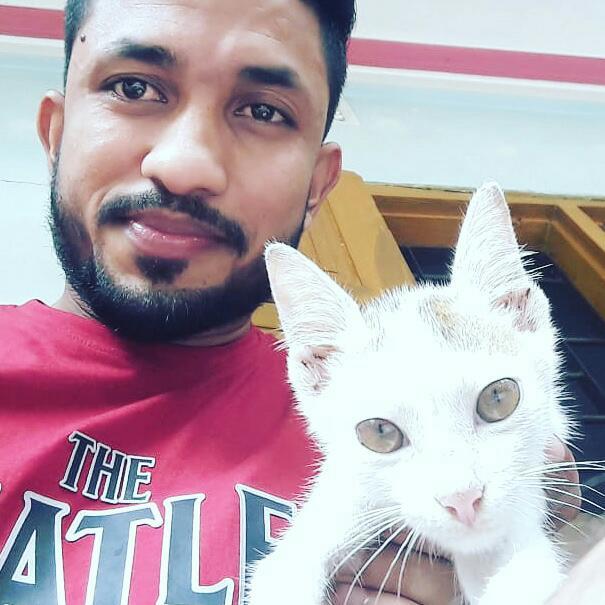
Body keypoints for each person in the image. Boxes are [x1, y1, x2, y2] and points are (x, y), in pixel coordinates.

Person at [0, 0, 583, 603]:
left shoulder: (350, 400)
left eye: (263, 111)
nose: (184, 164)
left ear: (319, 183)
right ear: (55, 132)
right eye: (134, 88)